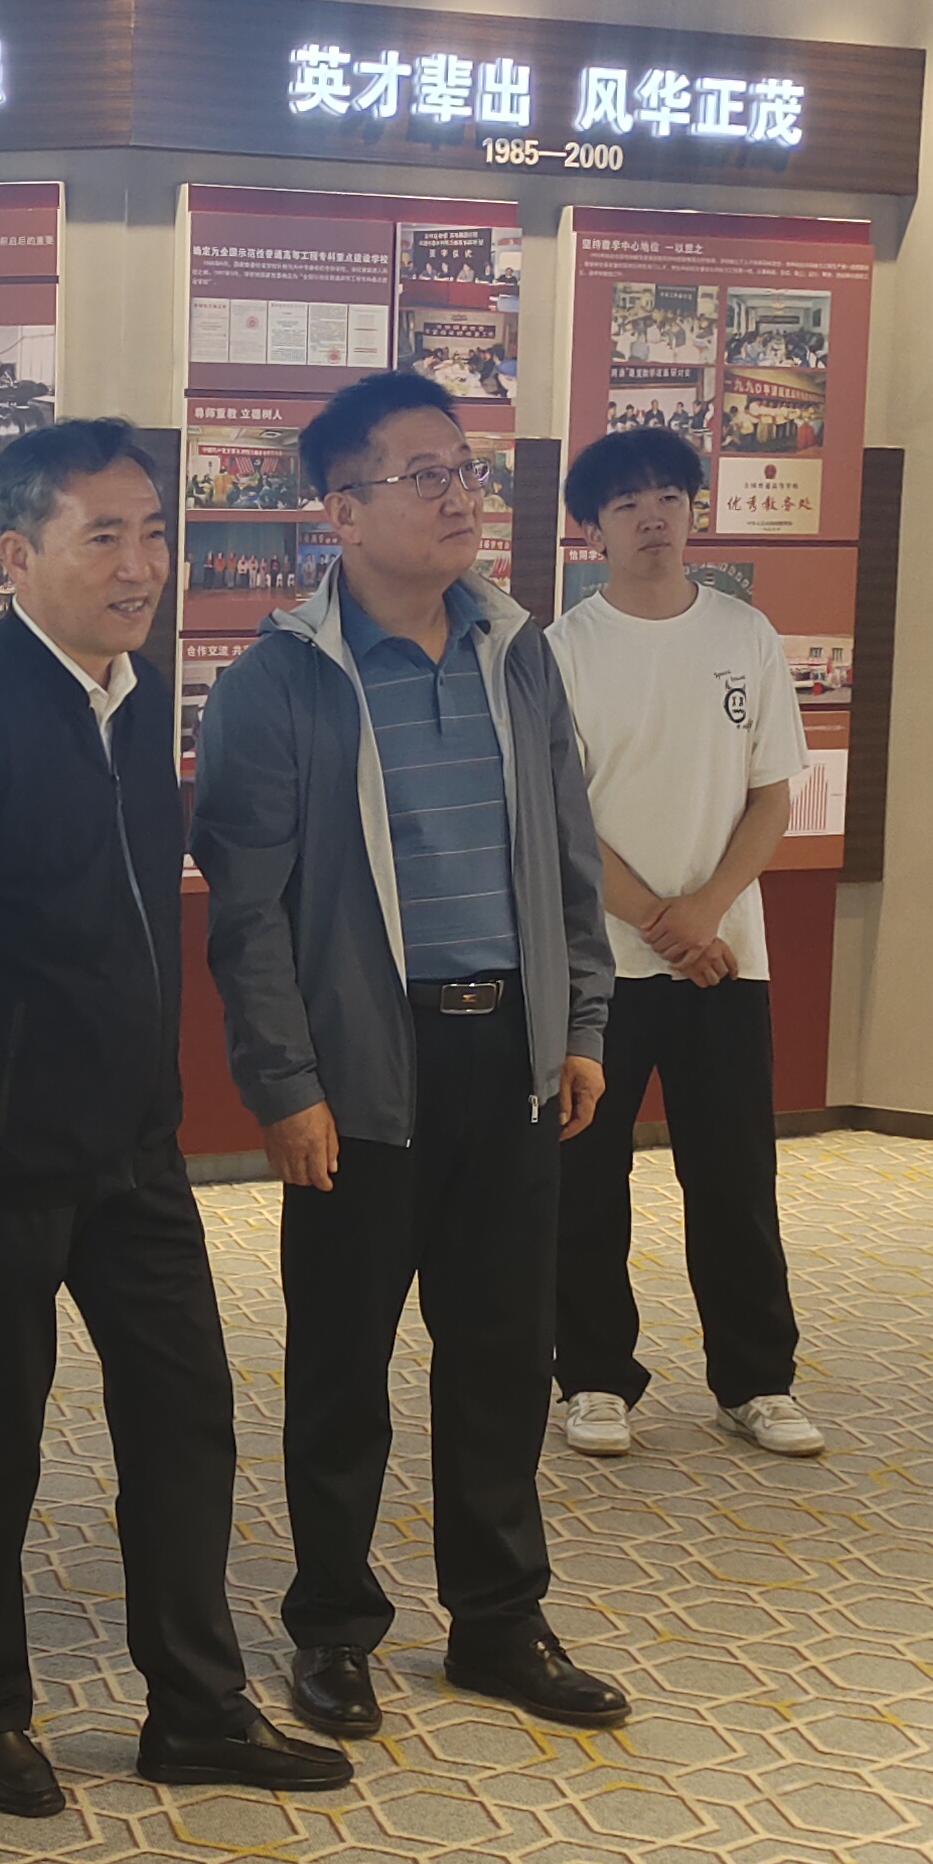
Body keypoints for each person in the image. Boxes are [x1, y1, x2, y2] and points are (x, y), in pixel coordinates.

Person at [0, 417, 348, 1815]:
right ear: (16, 555)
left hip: (133, 1145)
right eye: (102, 535)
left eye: (153, 533)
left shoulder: (132, 697)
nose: (140, 566)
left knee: (186, 1419)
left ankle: (199, 1706)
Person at [192, 366, 628, 1740]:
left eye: (465, 470)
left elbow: (566, 855)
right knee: (343, 1363)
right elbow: (249, 916)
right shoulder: (280, 683)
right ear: (340, 509)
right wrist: (286, 1085)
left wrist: (580, 1021)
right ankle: (334, 1625)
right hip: (362, 1074)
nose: (458, 497)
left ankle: (500, 1619)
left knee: (501, 1353)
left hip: (511, 1057)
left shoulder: (518, 651)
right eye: (423, 474)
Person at [546, 424, 823, 1462]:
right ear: (593, 528)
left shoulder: (745, 634)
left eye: (668, 495)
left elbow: (771, 797)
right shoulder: (564, 650)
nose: (651, 516)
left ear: (695, 510)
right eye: (626, 503)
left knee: (734, 1179)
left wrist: (706, 913)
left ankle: (756, 1382)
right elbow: (563, 819)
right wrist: (666, 924)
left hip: (726, 961)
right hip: (600, 969)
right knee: (585, 1183)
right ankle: (594, 1378)